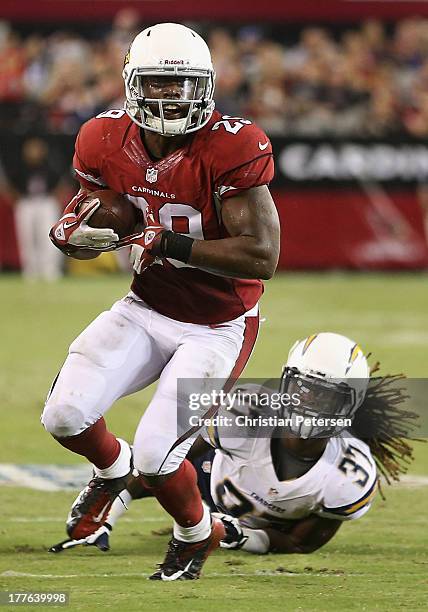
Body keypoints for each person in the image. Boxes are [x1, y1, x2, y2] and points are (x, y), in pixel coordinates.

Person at [42, 22, 280, 581]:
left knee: (160, 453)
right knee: (65, 414)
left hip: (217, 324)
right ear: (131, 85)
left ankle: (198, 534)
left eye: (183, 85)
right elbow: (100, 209)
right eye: (158, 84)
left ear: (207, 85)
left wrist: (168, 242)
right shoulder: (101, 138)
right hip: (145, 307)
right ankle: (113, 469)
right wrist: (75, 233)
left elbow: (262, 256)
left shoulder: (234, 145)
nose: (171, 97)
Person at [49, 332, 416, 555]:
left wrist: (242, 537)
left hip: (254, 523)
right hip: (207, 484)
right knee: (165, 455)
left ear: (349, 405)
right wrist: (109, 513)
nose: (307, 402)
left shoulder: (348, 473)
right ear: (285, 383)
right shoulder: (247, 413)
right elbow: (160, 464)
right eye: (303, 388)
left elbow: (303, 543)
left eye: (324, 397)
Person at [8, 137, 64, 281]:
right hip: (26, 202)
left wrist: (55, 198)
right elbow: (10, 186)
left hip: (46, 201)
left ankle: (50, 270)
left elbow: (61, 183)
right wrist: (17, 199)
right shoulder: (19, 166)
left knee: (48, 235)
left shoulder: (50, 165)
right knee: (27, 237)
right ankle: (30, 271)